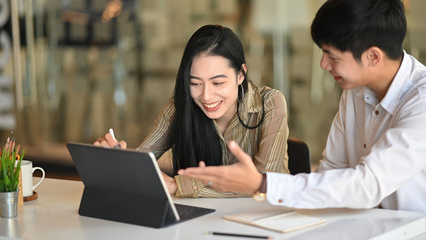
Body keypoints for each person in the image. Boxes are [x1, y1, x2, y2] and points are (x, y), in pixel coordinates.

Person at [178, 0, 426, 213]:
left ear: (373, 56)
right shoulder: (355, 91)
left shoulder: (421, 102)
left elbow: (367, 184)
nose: (323, 64)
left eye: (333, 56)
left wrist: (262, 184)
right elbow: (331, 171)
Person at [94, 24, 290, 198]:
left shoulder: (270, 103)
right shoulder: (180, 106)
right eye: (195, 83)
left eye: (218, 82)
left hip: (263, 220)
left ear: (241, 74)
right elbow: (143, 162)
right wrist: (116, 159)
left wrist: (176, 186)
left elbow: (265, 182)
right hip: (203, 219)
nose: (206, 96)